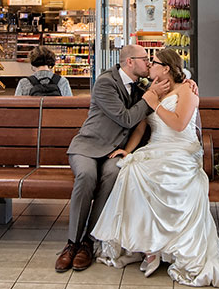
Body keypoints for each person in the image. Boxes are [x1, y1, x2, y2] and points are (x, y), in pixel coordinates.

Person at [92, 49, 219, 289]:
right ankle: (148, 246)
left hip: (182, 149)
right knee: (131, 169)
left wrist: (154, 104)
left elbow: (180, 125)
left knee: (163, 174)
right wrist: (128, 150)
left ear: (166, 68)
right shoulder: (151, 90)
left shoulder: (187, 91)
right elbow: (140, 127)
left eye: (154, 63)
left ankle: (167, 246)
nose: (149, 66)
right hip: (157, 146)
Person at [56, 44, 164, 273]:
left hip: (115, 151)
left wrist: (188, 83)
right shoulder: (106, 82)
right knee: (86, 176)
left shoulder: (141, 86)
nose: (149, 63)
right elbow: (125, 119)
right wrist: (150, 97)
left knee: (113, 174)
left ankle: (88, 241)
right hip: (88, 146)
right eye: (145, 59)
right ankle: (71, 243)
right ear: (130, 62)